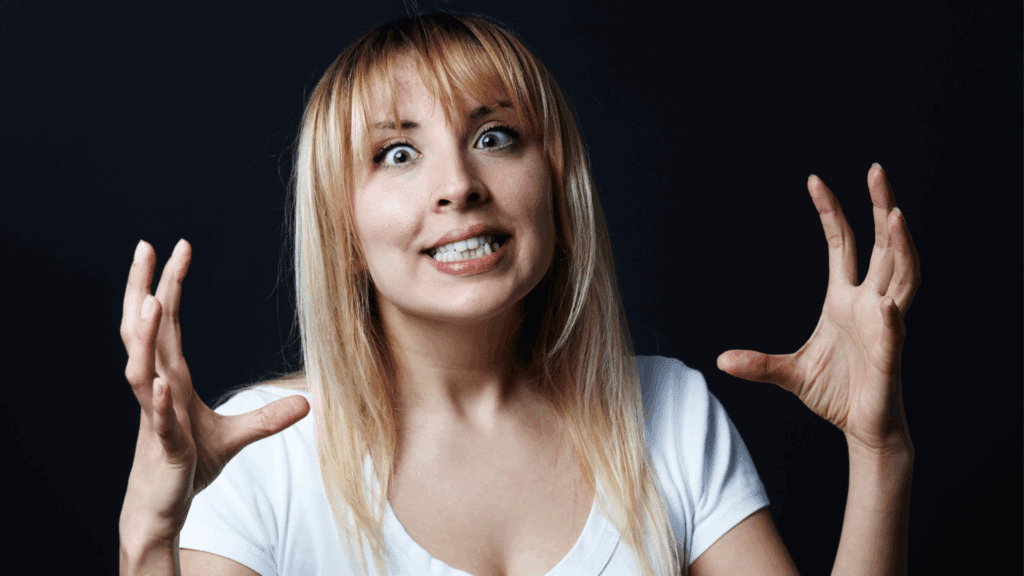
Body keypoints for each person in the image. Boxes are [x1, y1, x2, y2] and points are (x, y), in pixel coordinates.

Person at [117, 12, 919, 576]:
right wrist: (149, 539)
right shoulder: (266, 455)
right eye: (397, 154)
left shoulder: (669, 412)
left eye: (494, 137)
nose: (459, 186)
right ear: (341, 229)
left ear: (558, 189)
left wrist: (880, 453)